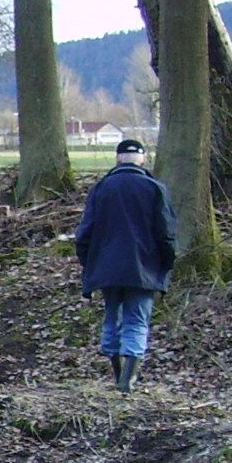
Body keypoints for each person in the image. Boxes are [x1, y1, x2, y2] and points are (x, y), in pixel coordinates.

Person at [74, 138, 177, 392]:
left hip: (106, 268)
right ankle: (127, 380)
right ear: (142, 160)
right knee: (137, 320)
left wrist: (89, 264)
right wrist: (166, 264)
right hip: (144, 267)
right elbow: (166, 234)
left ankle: (118, 373)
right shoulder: (155, 188)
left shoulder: (101, 188)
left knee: (112, 318)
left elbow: (84, 234)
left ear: (118, 159)